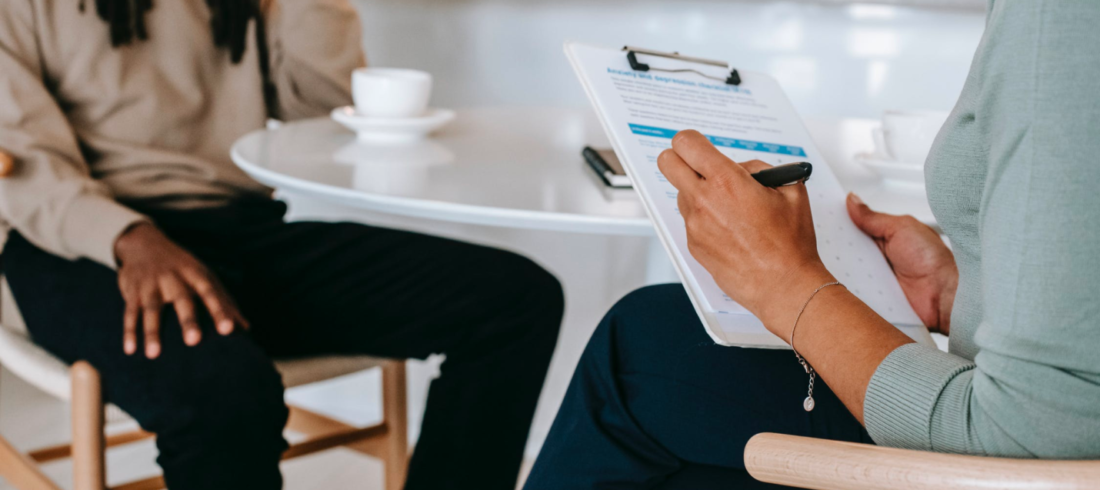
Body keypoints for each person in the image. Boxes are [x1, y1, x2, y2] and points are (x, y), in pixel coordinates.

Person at [524, 1, 1100, 488]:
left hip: (989, 461)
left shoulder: (1060, 23)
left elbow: (1027, 441)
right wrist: (958, 293)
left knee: (643, 344)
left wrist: (787, 285)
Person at [0, 1, 563, 489]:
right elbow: (19, 159)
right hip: (75, 242)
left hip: (237, 227)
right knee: (224, 396)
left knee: (514, 300)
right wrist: (127, 237)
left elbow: (327, 109)